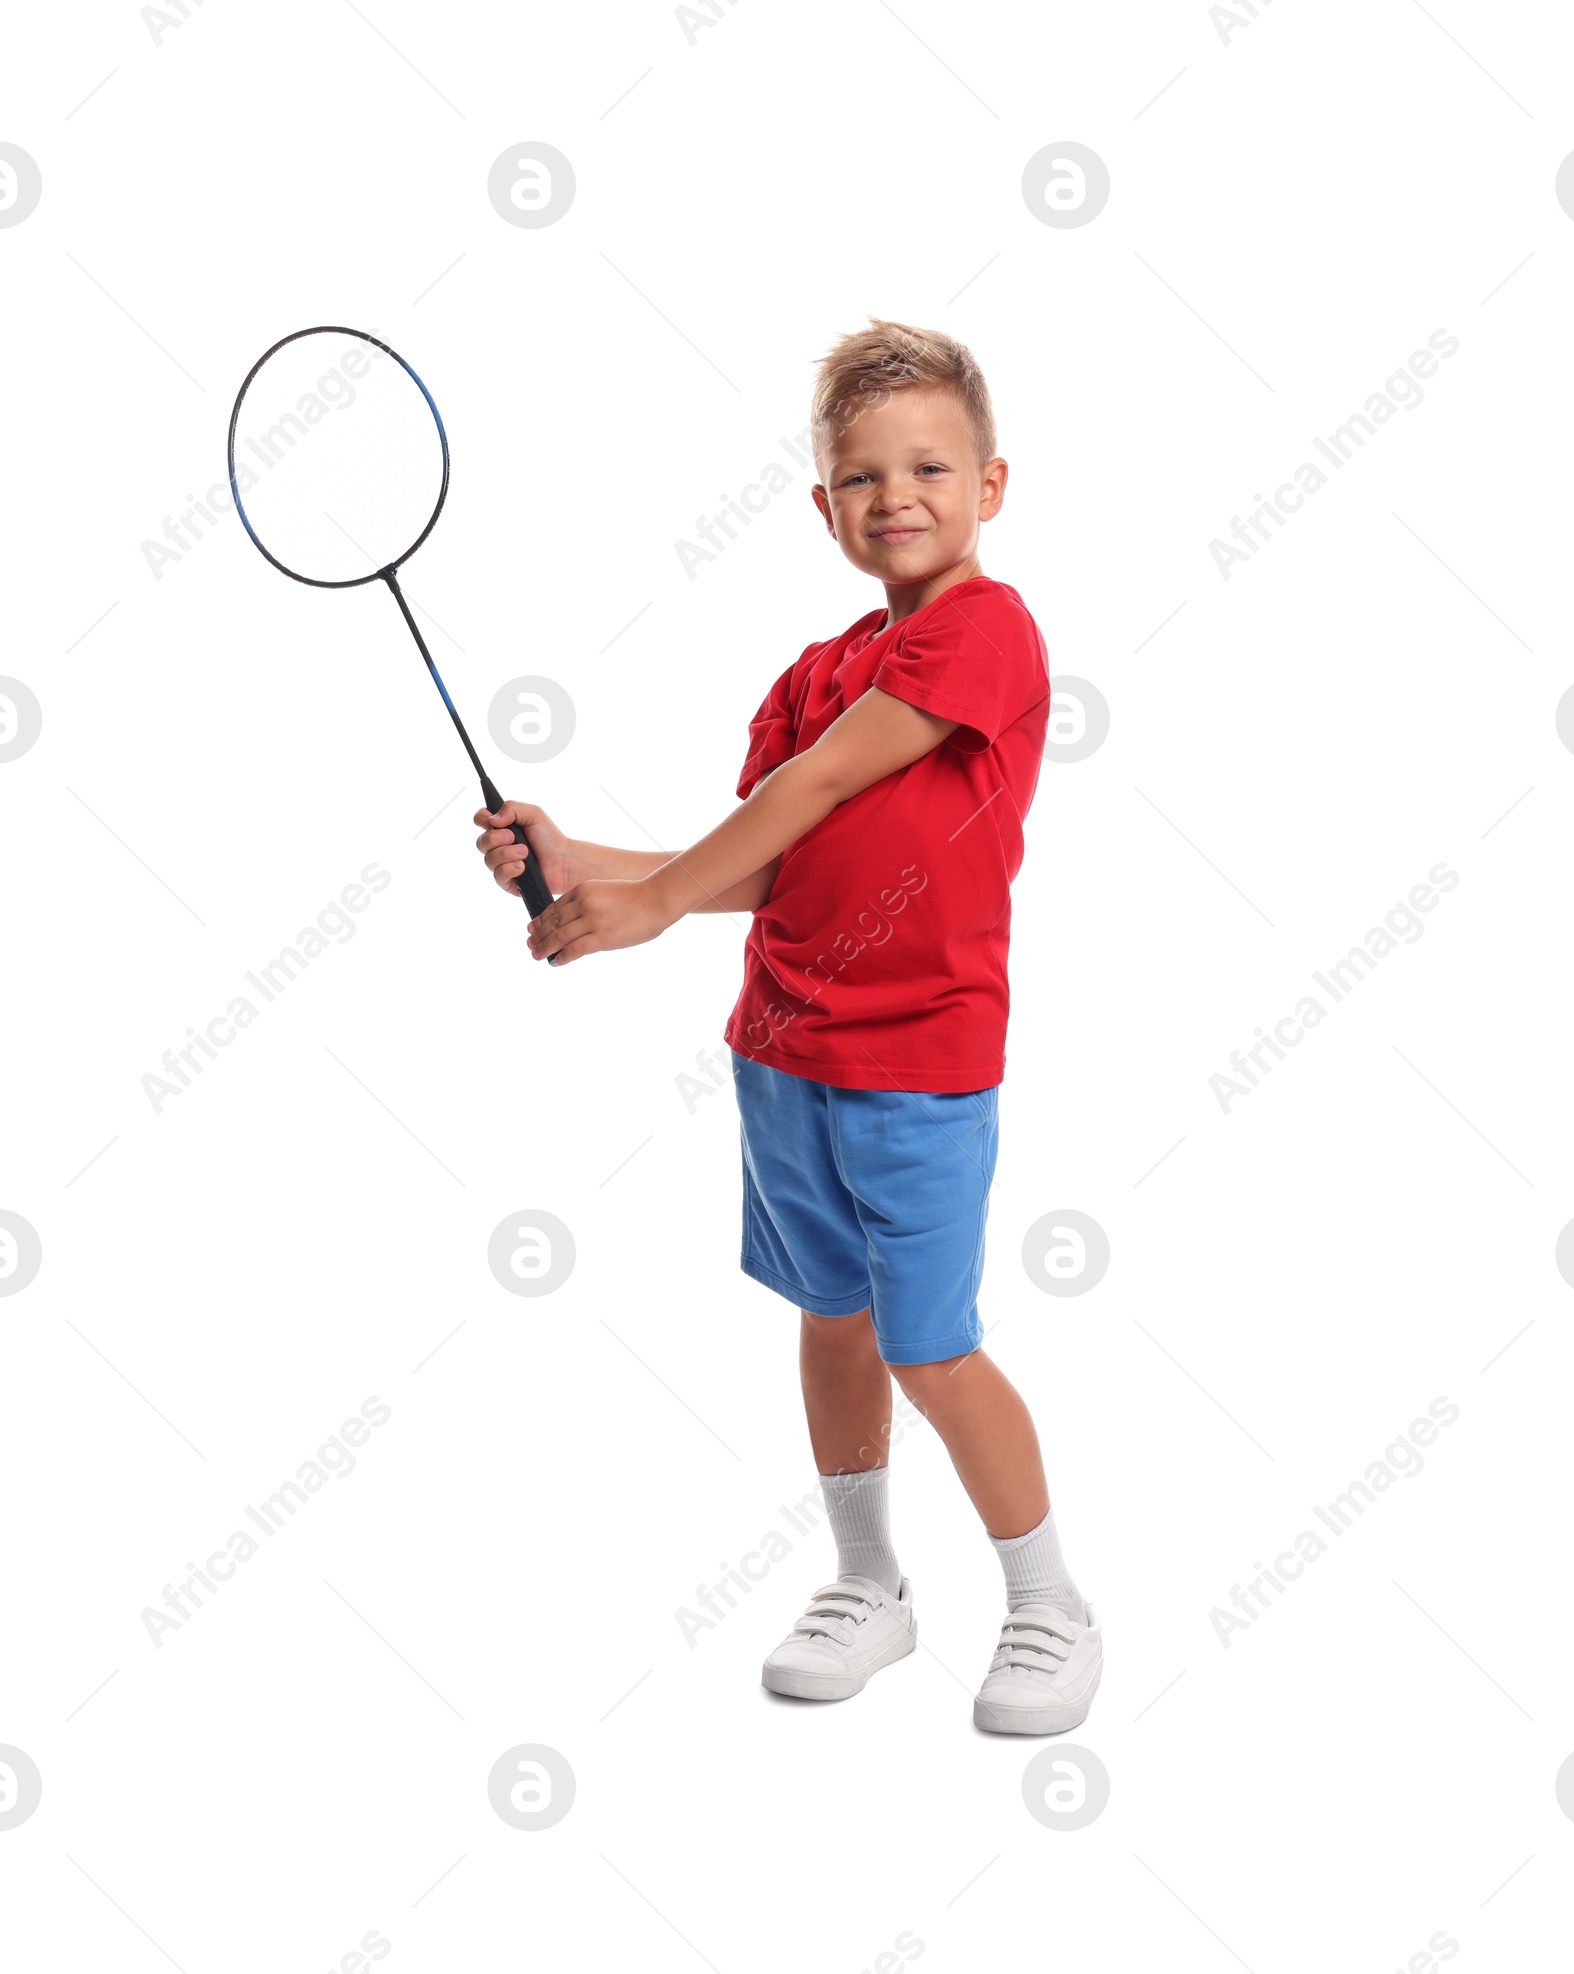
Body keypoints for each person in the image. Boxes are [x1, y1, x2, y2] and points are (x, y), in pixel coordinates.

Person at [473, 318, 1099, 1734]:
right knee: (835, 1322)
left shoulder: (987, 636)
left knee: (931, 1344)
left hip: (921, 1067)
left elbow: (817, 788)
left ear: (992, 485)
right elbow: (764, 859)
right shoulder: (812, 669)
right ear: (825, 507)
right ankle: (870, 1582)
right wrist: (590, 866)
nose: (899, 496)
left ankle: (1050, 1597)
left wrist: (650, 900)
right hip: (784, 1056)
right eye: (863, 476)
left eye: (931, 465)